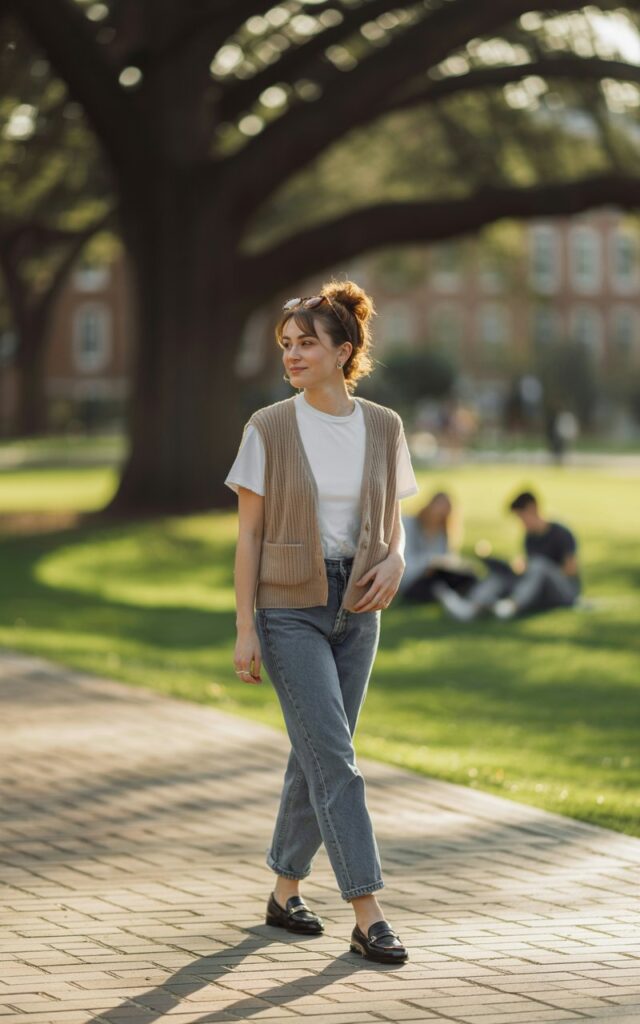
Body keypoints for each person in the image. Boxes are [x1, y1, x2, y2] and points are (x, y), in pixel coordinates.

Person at [224, 281, 419, 964]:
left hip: (360, 608)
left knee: (315, 752)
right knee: (335, 759)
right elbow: (248, 536)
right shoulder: (268, 428)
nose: (293, 355)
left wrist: (396, 562)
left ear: (344, 350)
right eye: (286, 344)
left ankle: (283, 890)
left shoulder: (385, 427)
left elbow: (395, 526)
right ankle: (368, 913)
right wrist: (246, 628)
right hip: (287, 610)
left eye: (307, 343)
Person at [435, 490, 581, 621]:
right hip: (539, 589)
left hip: (565, 592)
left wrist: (538, 572)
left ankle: (512, 606)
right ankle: (471, 607)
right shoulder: (529, 538)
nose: (521, 523)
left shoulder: (561, 532)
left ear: (533, 508)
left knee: (539, 565)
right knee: (500, 575)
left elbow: (570, 570)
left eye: (521, 517)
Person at [398, 492, 478, 603]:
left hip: (436, 575)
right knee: (435, 585)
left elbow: (448, 559)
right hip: (411, 579)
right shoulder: (408, 524)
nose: (439, 515)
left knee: (469, 576)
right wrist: (430, 563)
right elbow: (404, 562)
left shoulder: (443, 532)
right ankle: (451, 598)